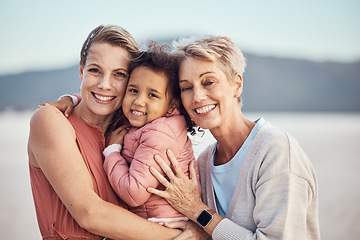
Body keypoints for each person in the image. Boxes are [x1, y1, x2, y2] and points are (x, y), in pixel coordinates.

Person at [147, 35, 321, 239]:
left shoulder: (277, 151)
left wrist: (197, 211)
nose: (198, 97)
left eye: (208, 82)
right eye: (187, 87)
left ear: (237, 84)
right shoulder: (203, 162)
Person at [28, 24, 188, 240]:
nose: (104, 85)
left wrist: (197, 218)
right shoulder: (51, 120)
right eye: (95, 70)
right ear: (81, 71)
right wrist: (181, 237)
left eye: (119, 74)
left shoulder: (129, 128)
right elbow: (89, 215)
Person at [101, 42, 200, 224]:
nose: (138, 101)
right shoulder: (147, 123)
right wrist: (70, 99)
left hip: (163, 226)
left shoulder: (159, 134)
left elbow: (134, 193)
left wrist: (112, 152)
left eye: (152, 95)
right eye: (133, 91)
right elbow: (100, 101)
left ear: (172, 104)